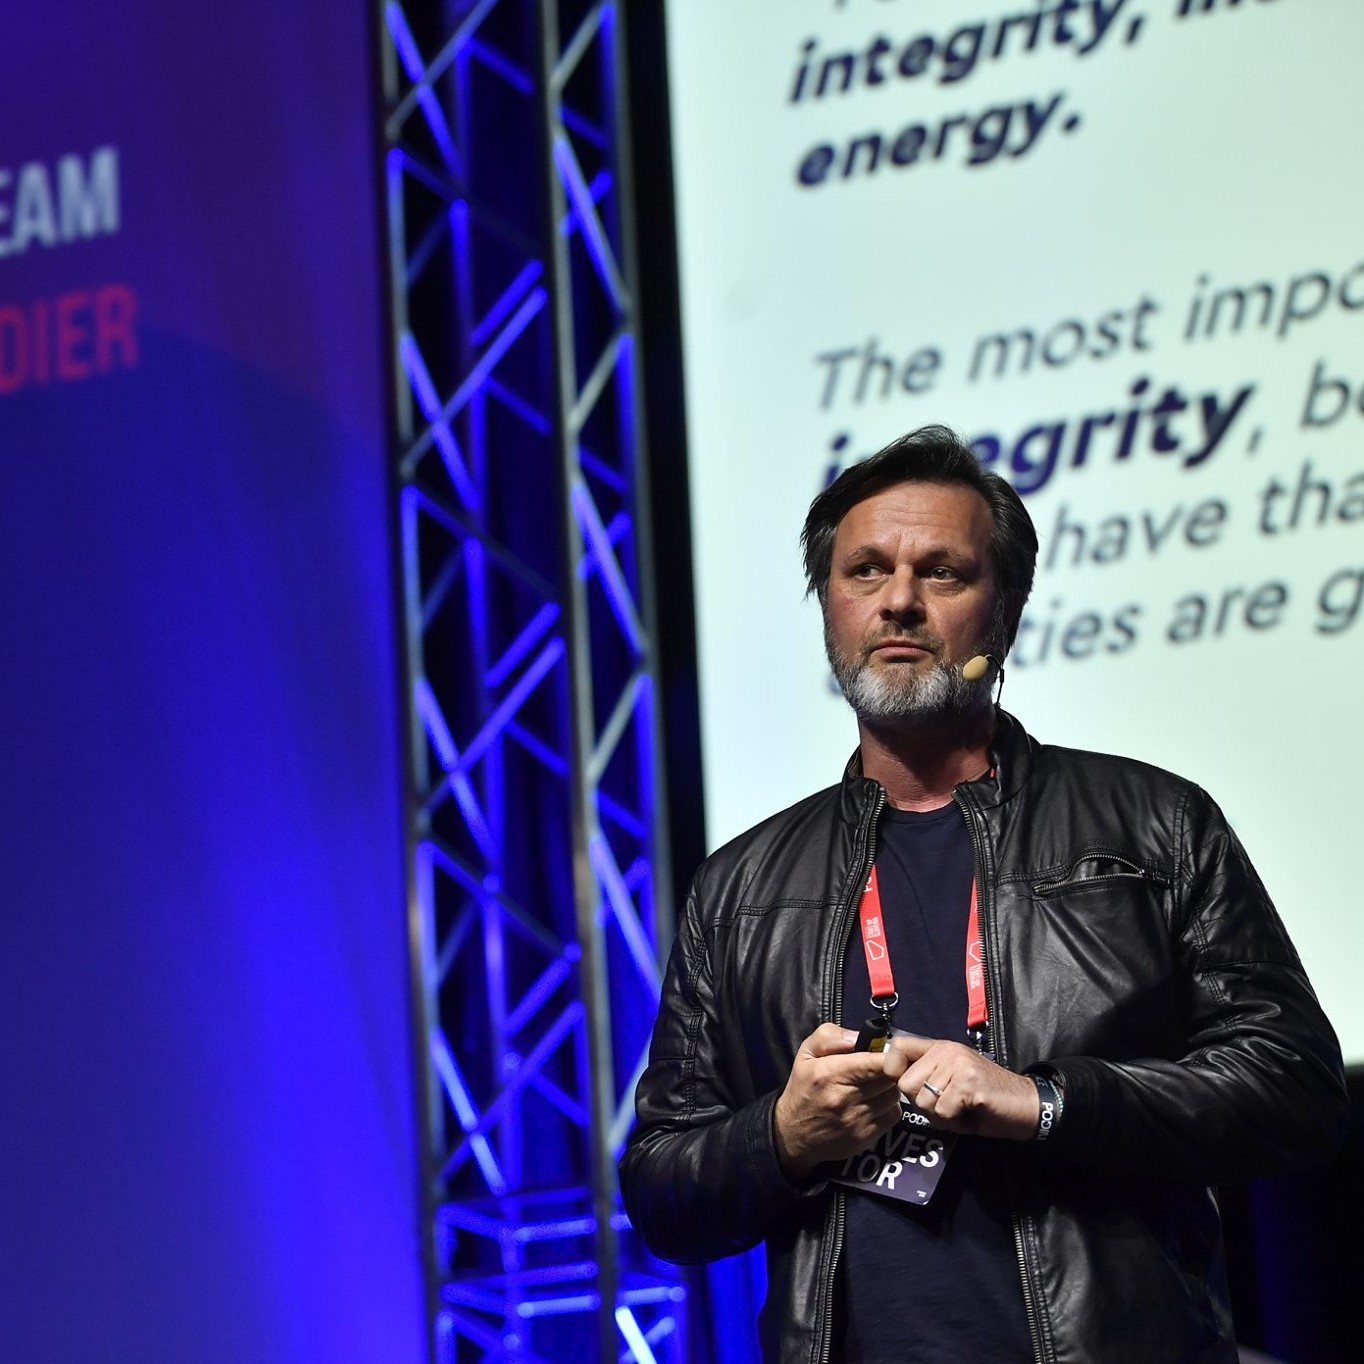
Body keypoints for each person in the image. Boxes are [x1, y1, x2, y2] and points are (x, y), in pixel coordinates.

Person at [619, 425, 1348, 1363]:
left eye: (943, 572)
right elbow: (662, 1192)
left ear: (1004, 614)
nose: (899, 601)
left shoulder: (1154, 826)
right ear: (829, 607)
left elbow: (1295, 1088)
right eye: (866, 571)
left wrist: (1044, 1103)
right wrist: (784, 1134)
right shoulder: (741, 888)